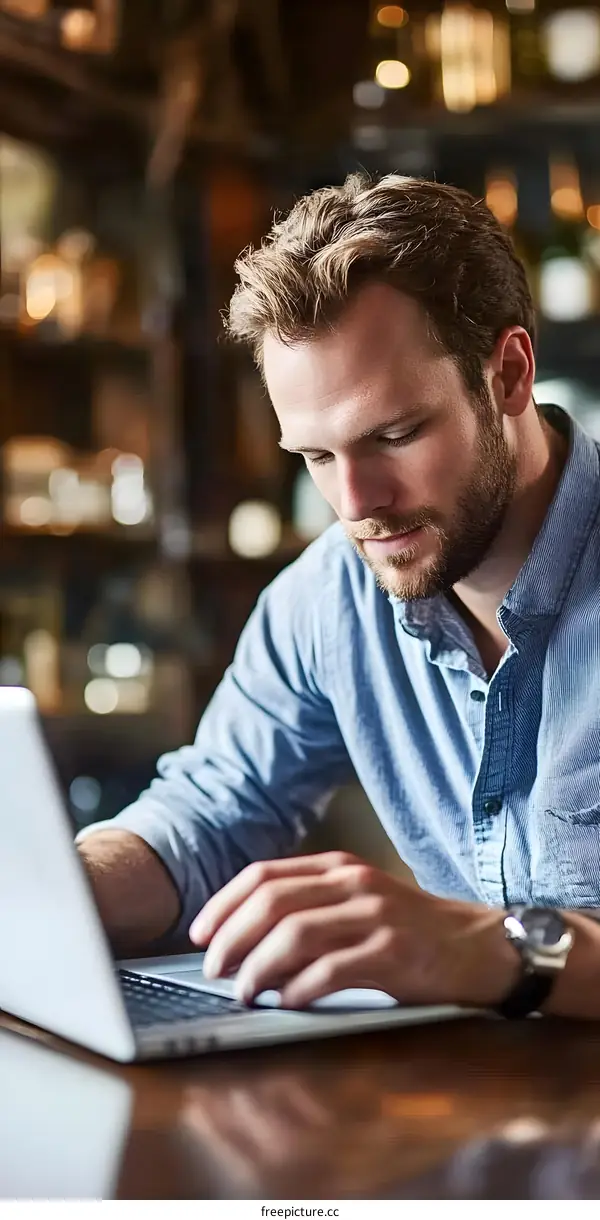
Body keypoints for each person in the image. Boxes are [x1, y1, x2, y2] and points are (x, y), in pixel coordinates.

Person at [78, 172, 600, 1019]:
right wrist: (61, 893)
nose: (355, 505)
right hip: (482, 1117)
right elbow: (213, 812)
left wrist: (486, 947)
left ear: (507, 374)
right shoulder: (327, 598)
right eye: (315, 458)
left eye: (393, 435)